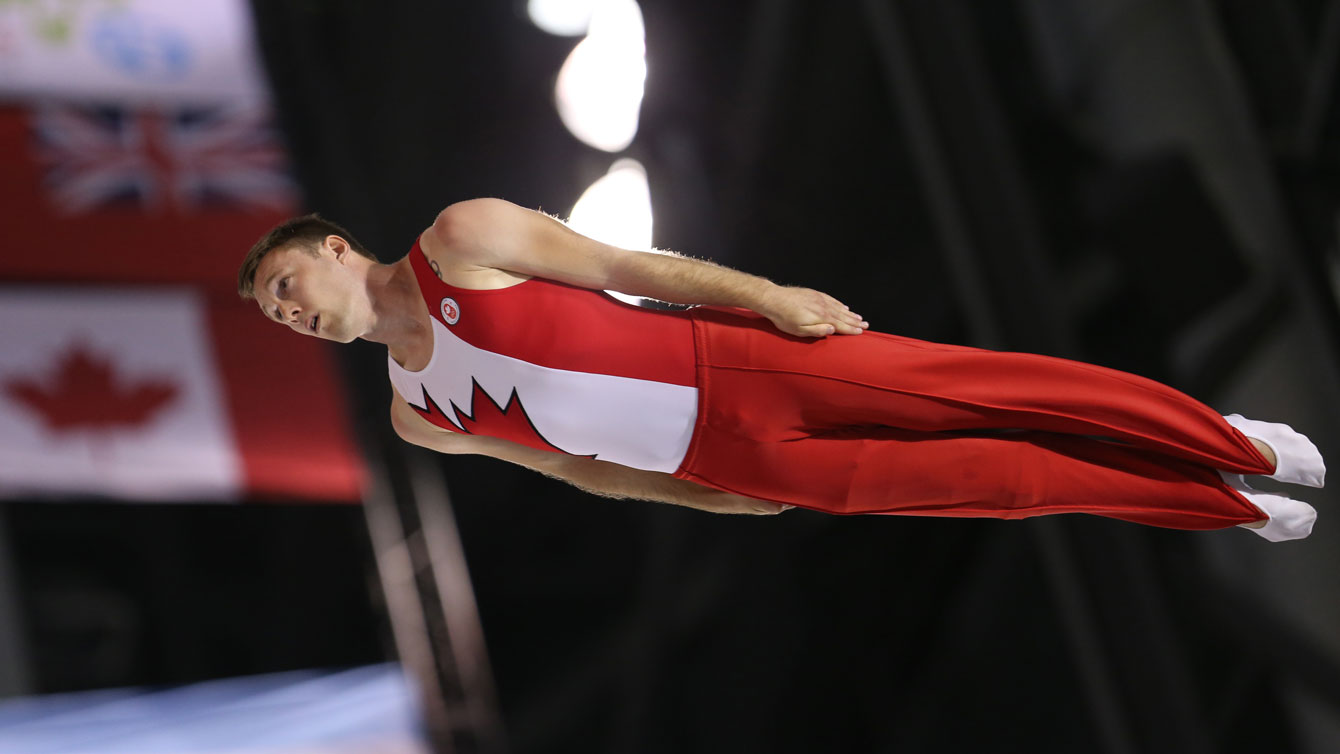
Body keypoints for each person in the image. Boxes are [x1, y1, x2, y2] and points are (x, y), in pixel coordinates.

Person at [237, 198, 1325, 541]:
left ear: (334, 247)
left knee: (994, 392)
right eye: (274, 319)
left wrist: (766, 297)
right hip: (735, 456)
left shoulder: (462, 236)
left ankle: (1232, 442)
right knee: (1004, 486)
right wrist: (701, 495)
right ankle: (1219, 503)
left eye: (284, 285)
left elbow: (622, 261)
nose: (289, 314)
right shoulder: (416, 418)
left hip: (740, 363)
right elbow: (576, 469)